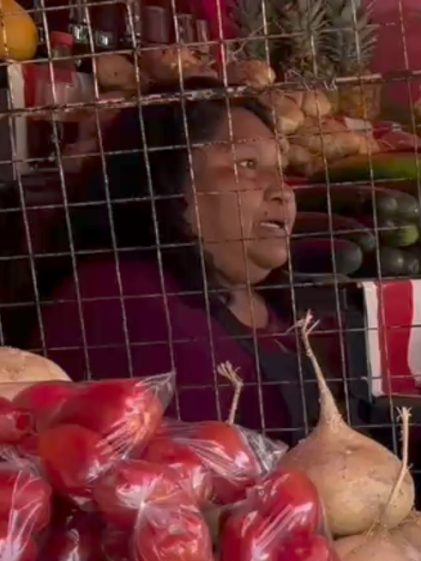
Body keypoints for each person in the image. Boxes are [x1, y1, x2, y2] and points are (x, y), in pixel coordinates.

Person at [31, 80, 324, 437]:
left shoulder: (280, 302)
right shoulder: (119, 300)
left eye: (280, 169)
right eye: (247, 164)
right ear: (168, 179)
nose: (283, 192)